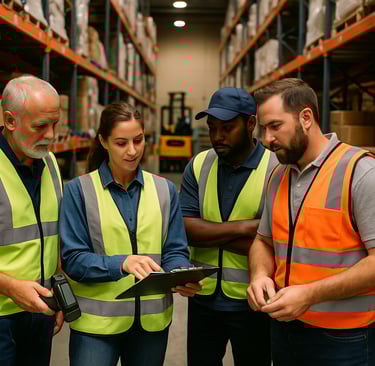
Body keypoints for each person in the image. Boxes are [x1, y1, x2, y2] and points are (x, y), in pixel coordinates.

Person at [59, 101, 200, 366]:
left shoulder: (165, 190)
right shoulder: (79, 191)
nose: (132, 151)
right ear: (103, 141)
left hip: (151, 324)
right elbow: (73, 260)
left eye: (138, 140)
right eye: (121, 143)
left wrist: (180, 273)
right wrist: (122, 263)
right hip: (96, 327)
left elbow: (175, 249)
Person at [248, 78, 375, 366]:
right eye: (263, 129)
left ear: (306, 117)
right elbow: (263, 241)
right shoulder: (278, 176)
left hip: (345, 339)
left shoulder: (361, 172)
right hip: (284, 330)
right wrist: (259, 275)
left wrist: (310, 294)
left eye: (275, 126)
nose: (266, 139)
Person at [179, 87, 277, 366]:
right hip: (203, 298)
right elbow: (186, 228)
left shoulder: (276, 169)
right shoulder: (200, 164)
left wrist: (208, 233)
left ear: (250, 124)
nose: (217, 136)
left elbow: (279, 242)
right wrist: (248, 229)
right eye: (212, 128)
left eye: (227, 128)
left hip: (254, 300)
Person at [0, 75, 64, 366]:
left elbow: (52, 236)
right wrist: (10, 287)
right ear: (10, 121)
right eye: (40, 126)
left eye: (55, 124)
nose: (50, 135)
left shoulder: (50, 162)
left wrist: (59, 292)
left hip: (41, 310)